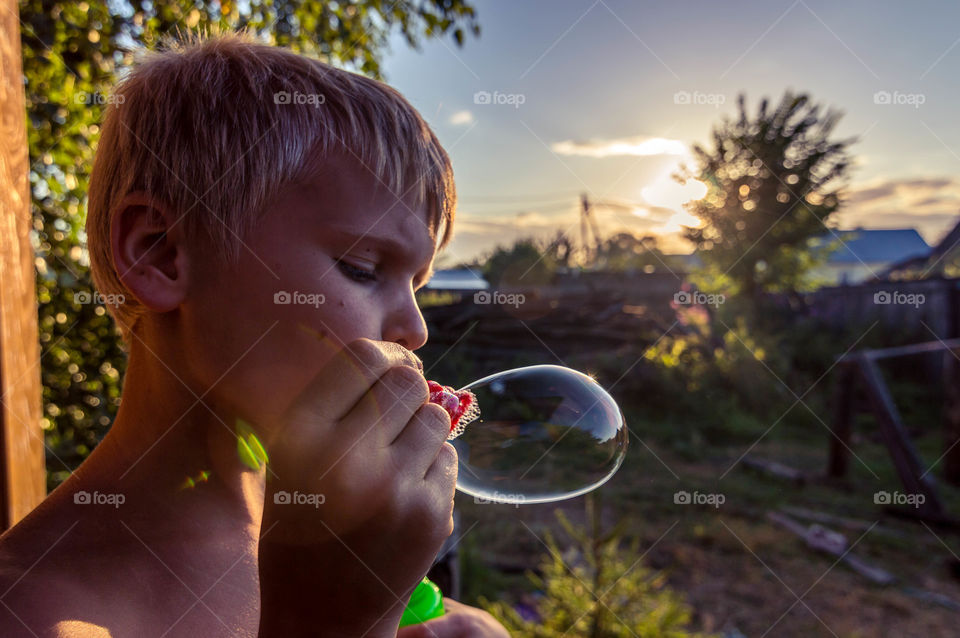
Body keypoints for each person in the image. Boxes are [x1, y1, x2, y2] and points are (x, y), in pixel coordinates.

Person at [0, 31, 509, 638]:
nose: (415, 330)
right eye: (363, 268)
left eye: (417, 284)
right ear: (160, 253)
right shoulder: (27, 613)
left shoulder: (345, 540)